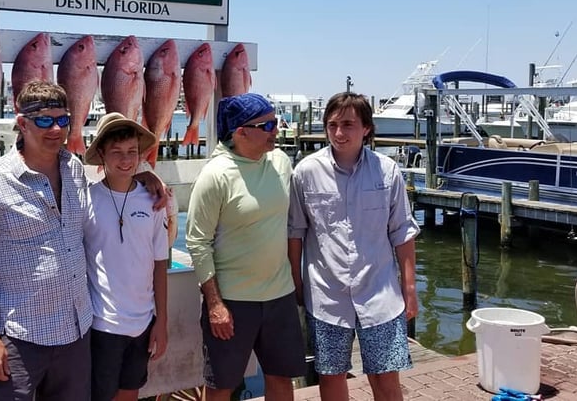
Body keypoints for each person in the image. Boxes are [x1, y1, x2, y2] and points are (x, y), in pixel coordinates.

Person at [0, 81, 165, 401]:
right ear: (21, 123)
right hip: (20, 337)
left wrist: (142, 177)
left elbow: (111, 187)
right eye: (44, 120)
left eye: (63, 120)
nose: (55, 128)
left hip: (75, 334)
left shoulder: (75, 170)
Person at [288, 92, 419, 401]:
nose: (338, 133)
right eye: (332, 125)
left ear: (366, 129)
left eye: (348, 124)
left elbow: (402, 232)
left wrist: (410, 289)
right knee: (330, 376)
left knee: (386, 375)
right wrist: (296, 281)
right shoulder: (305, 172)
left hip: (380, 293)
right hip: (325, 295)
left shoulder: (388, 172)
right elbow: (294, 233)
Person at [186, 92, 306, 401]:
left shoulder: (280, 161)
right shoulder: (215, 176)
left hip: (280, 297)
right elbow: (198, 242)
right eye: (267, 126)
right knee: (221, 386)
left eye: (275, 123)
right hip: (233, 302)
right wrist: (215, 305)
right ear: (241, 132)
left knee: (281, 379)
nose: (276, 132)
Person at [82, 112, 169, 401]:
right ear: (102, 156)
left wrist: (162, 321)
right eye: (116, 153)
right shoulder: (86, 200)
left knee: (130, 393)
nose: (125, 159)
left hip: (144, 322)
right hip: (101, 323)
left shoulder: (154, 200)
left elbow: (159, 263)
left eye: (132, 152)